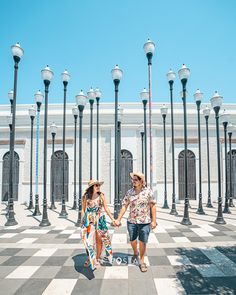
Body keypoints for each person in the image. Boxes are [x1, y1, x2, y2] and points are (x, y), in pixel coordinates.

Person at [114, 172, 157, 272]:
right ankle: (135, 252)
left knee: (143, 241)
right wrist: (118, 219)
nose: (133, 181)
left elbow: (153, 206)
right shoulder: (129, 192)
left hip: (145, 221)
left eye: (135, 180)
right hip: (132, 221)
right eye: (132, 179)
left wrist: (154, 221)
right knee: (132, 240)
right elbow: (124, 205)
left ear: (141, 181)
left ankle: (142, 261)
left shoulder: (148, 192)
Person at [81, 180, 115, 270]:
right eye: (96, 185)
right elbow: (83, 210)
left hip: (100, 219)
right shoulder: (85, 196)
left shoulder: (101, 195)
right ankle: (90, 258)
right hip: (89, 219)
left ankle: (97, 258)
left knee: (101, 239)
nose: (98, 186)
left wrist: (112, 219)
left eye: (99, 185)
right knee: (88, 240)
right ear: (91, 187)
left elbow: (106, 208)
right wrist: (82, 222)